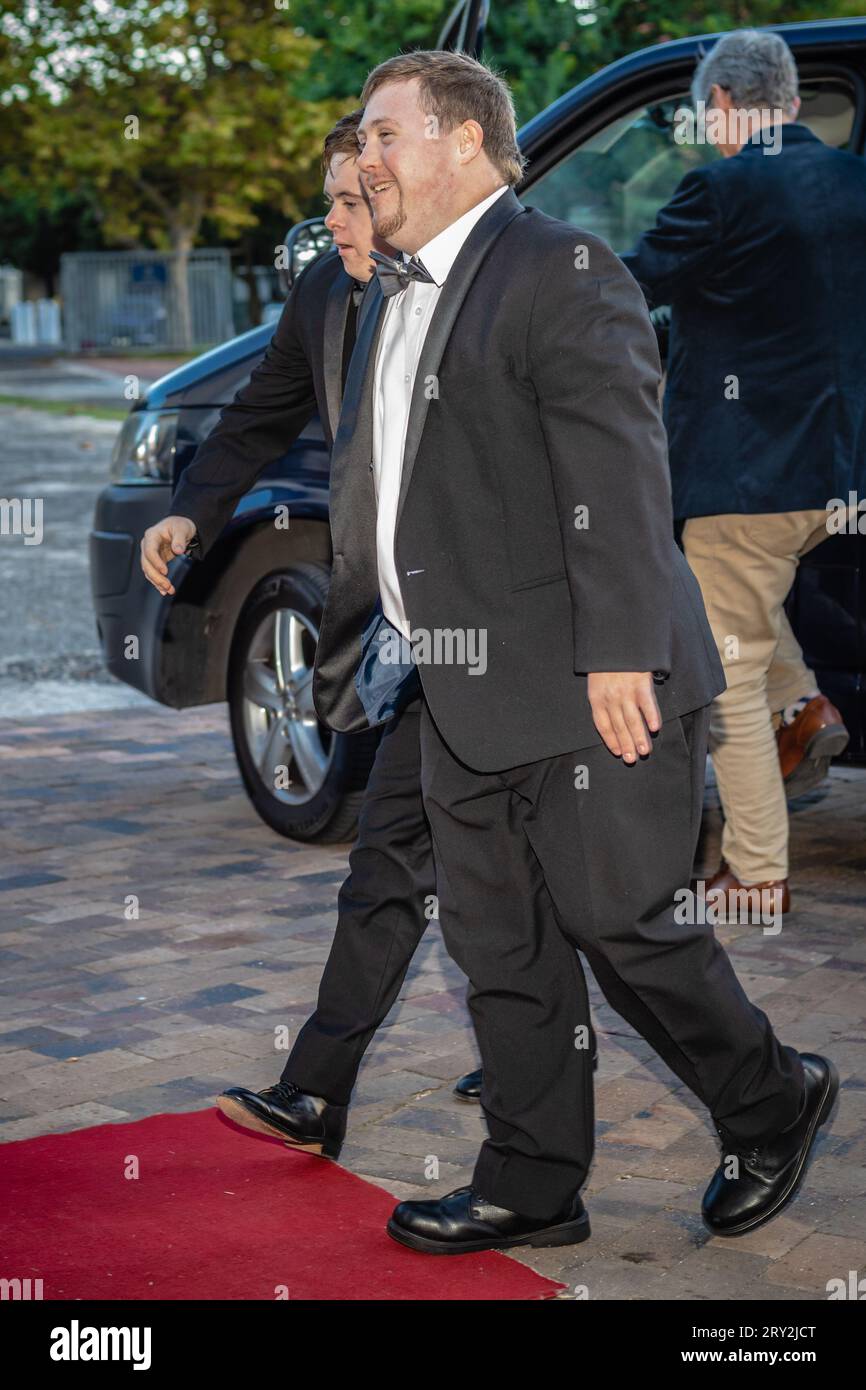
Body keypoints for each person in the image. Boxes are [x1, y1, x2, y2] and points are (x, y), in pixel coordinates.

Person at [311, 48, 836, 1254]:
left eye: (385, 135)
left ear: (461, 141)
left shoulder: (560, 269)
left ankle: (772, 1097)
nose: (365, 155)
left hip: (591, 680)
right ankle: (531, 1184)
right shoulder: (390, 290)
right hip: (458, 685)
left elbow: (614, 465)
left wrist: (618, 656)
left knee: (625, 923)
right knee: (497, 944)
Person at [139, 111, 533, 1152]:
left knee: (563, 882)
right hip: (414, 639)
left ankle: (591, 1065)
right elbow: (257, 417)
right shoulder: (325, 292)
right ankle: (317, 1091)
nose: (337, 220)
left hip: (512, 633)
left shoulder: (479, 287)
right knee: (388, 861)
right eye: (330, 200)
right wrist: (191, 507)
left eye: (356, 199)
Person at [621, 29, 865, 919]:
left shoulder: (721, 189)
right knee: (753, 616)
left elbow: (622, 286)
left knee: (724, 673)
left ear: (722, 103)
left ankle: (757, 874)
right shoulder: (855, 183)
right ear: (792, 101)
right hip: (841, 479)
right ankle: (805, 707)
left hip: (746, 476)